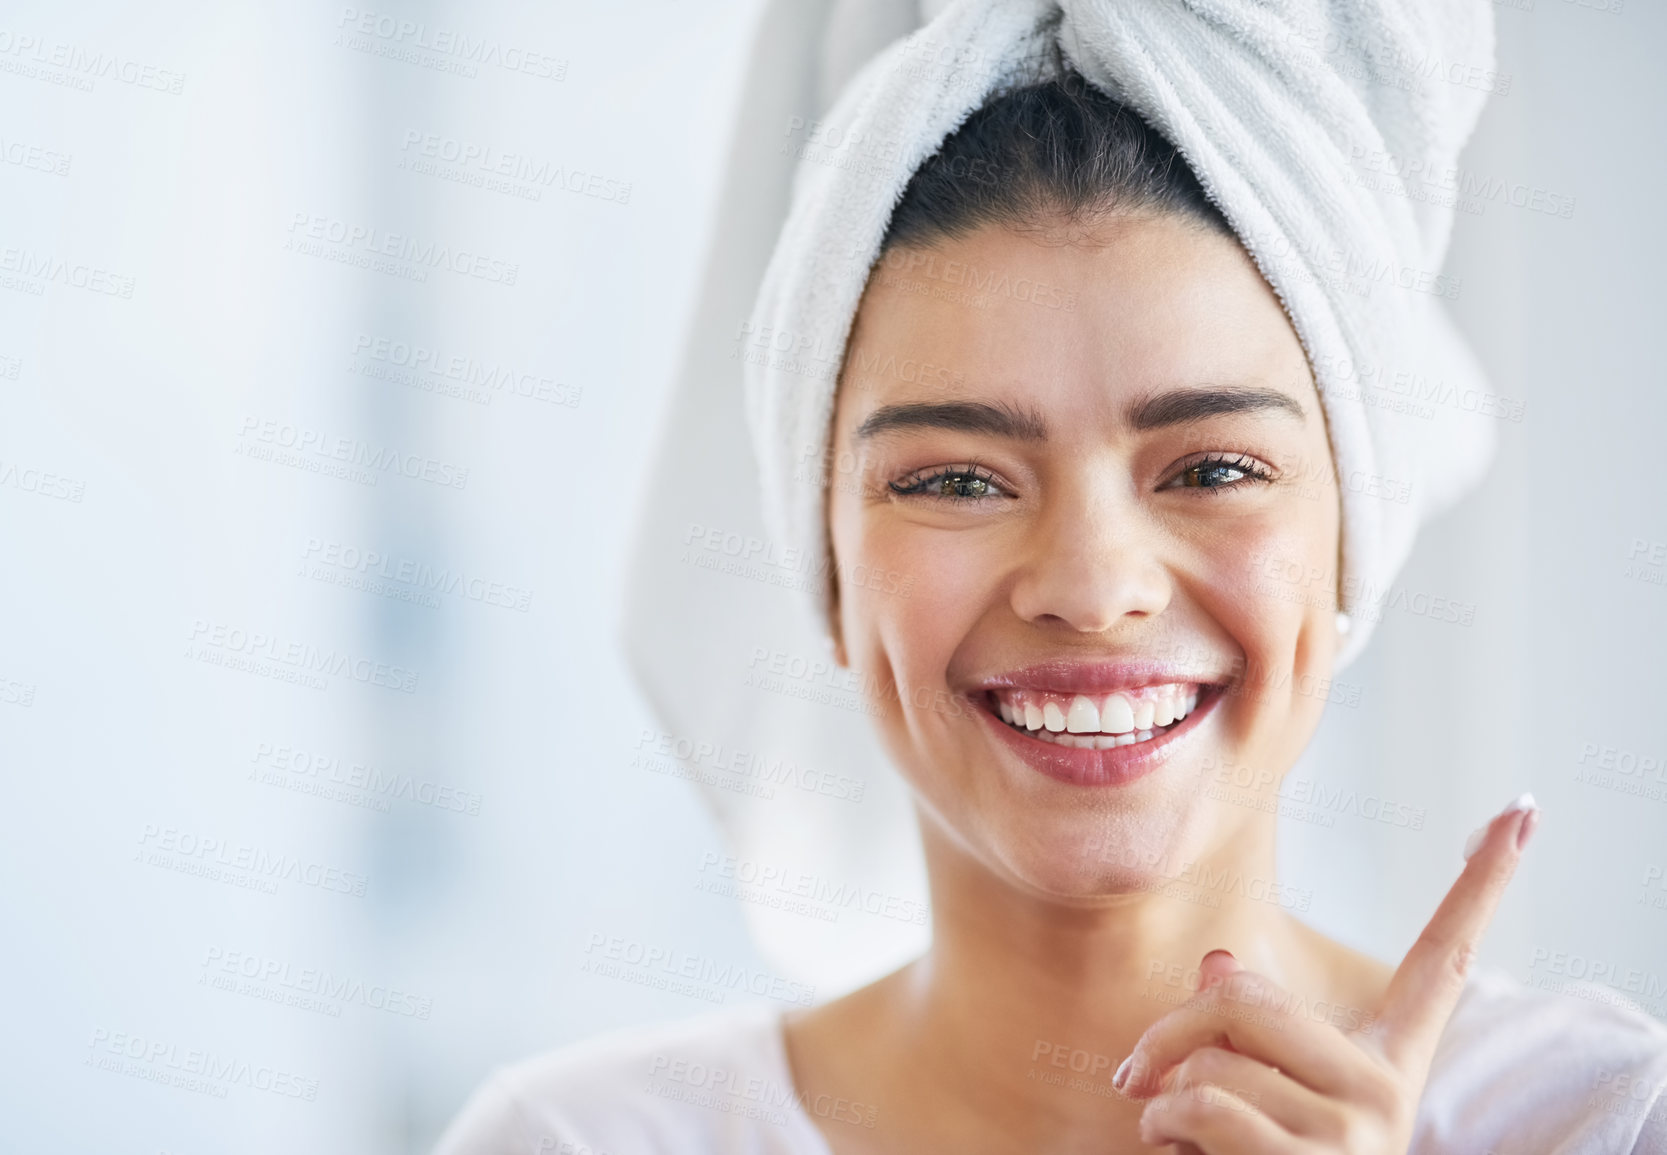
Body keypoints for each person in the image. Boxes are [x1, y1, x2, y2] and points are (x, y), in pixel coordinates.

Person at [437, 9, 1667, 1155]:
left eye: (1216, 466)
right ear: (825, 564)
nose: (1091, 586)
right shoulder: (578, 1138)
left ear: (1353, 530)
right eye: (959, 482)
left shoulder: (1600, 1118)